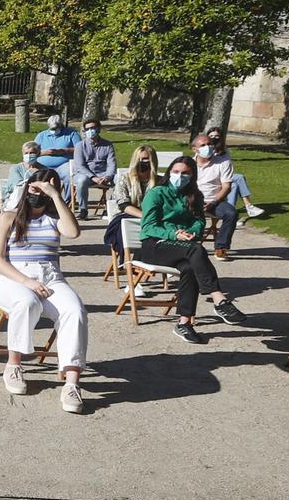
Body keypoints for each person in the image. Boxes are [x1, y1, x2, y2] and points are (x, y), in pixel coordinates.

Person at [0, 168, 89, 413]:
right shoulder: (8, 217)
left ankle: (72, 381)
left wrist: (56, 196)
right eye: (36, 187)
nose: (40, 192)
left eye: (47, 189)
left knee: (75, 310)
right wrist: (26, 281)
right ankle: (14, 365)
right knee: (26, 303)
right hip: (15, 277)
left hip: (50, 276)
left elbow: (74, 232)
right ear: (27, 187)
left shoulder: (54, 219)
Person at [137, 156, 246, 344]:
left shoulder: (195, 194)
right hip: (155, 245)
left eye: (185, 173)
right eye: (176, 172)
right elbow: (147, 227)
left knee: (190, 267)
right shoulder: (157, 193)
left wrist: (191, 232)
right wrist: (174, 234)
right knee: (196, 250)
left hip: (183, 245)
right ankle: (219, 299)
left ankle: (184, 323)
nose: (180, 176)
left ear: (192, 175)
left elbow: (199, 221)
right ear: (169, 172)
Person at [103, 143, 160, 256]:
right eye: (138, 159)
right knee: (123, 226)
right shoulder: (124, 179)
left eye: (145, 159)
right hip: (130, 215)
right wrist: (145, 216)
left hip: (154, 218)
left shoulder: (161, 182)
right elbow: (124, 205)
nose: (141, 162)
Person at [204, 127, 267, 220]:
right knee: (239, 178)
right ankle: (248, 206)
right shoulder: (205, 149)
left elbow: (227, 165)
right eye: (211, 136)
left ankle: (233, 212)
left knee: (234, 185)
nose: (214, 138)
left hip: (222, 174)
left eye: (217, 136)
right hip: (209, 176)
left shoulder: (223, 150)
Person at [193, 133, 239, 258]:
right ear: (194, 149)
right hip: (192, 201)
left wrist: (213, 202)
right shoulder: (189, 164)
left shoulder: (223, 163)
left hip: (215, 201)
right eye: (203, 145)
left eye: (209, 144)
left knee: (231, 213)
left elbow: (226, 187)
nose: (207, 147)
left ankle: (220, 247)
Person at [72, 119, 117, 220]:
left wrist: (108, 176)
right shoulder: (80, 146)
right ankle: (83, 210)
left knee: (120, 179)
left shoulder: (108, 145)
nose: (90, 131)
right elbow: (80, 166)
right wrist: (93, 177)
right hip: (85, 174)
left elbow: (112, 164)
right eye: (87, 129)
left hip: (103, 173)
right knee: (81, 181)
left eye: (93, 128)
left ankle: (110, 208)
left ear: (99, 129)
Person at [34, 113, 80, 188]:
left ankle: (67, 199)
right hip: (43, 166)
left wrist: (63, 151)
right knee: (36, 175)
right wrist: (46, 152)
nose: (54, 131)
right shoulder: (41, 136)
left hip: (63, 165)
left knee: (69, 176)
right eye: (52, 129)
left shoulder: (72, 134)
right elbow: (33, 151)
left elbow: (80, 149)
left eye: (56, 128)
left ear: (61, 125)